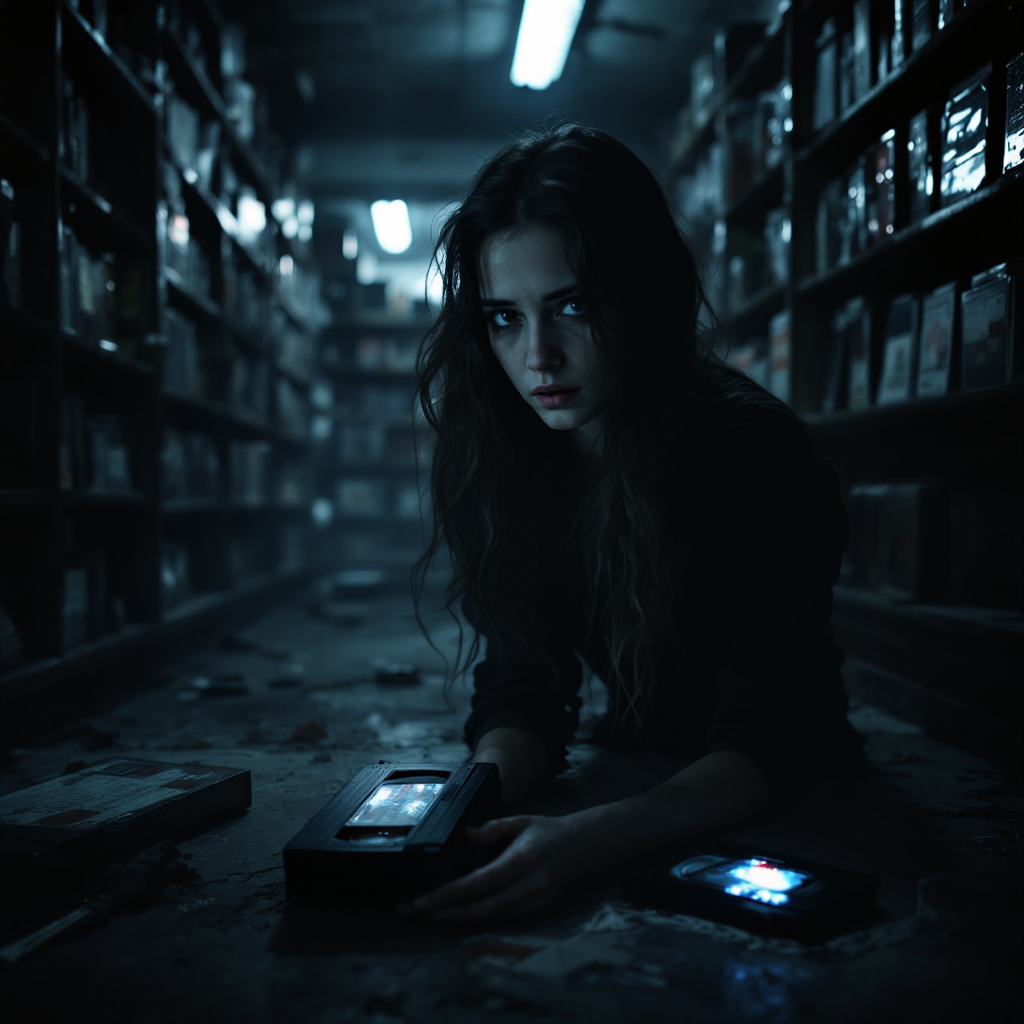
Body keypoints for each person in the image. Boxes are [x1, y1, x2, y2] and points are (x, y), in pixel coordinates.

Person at [404, 124, 863, 923]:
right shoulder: (503, 451)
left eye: (572, 306)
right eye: (504, 318)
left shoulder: (758, 454)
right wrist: (464, 807)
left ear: (643, 294)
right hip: (636, 763)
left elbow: (768, 735)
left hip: (790, 802)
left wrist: (583, 840)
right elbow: (526, 687)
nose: (537, 355)